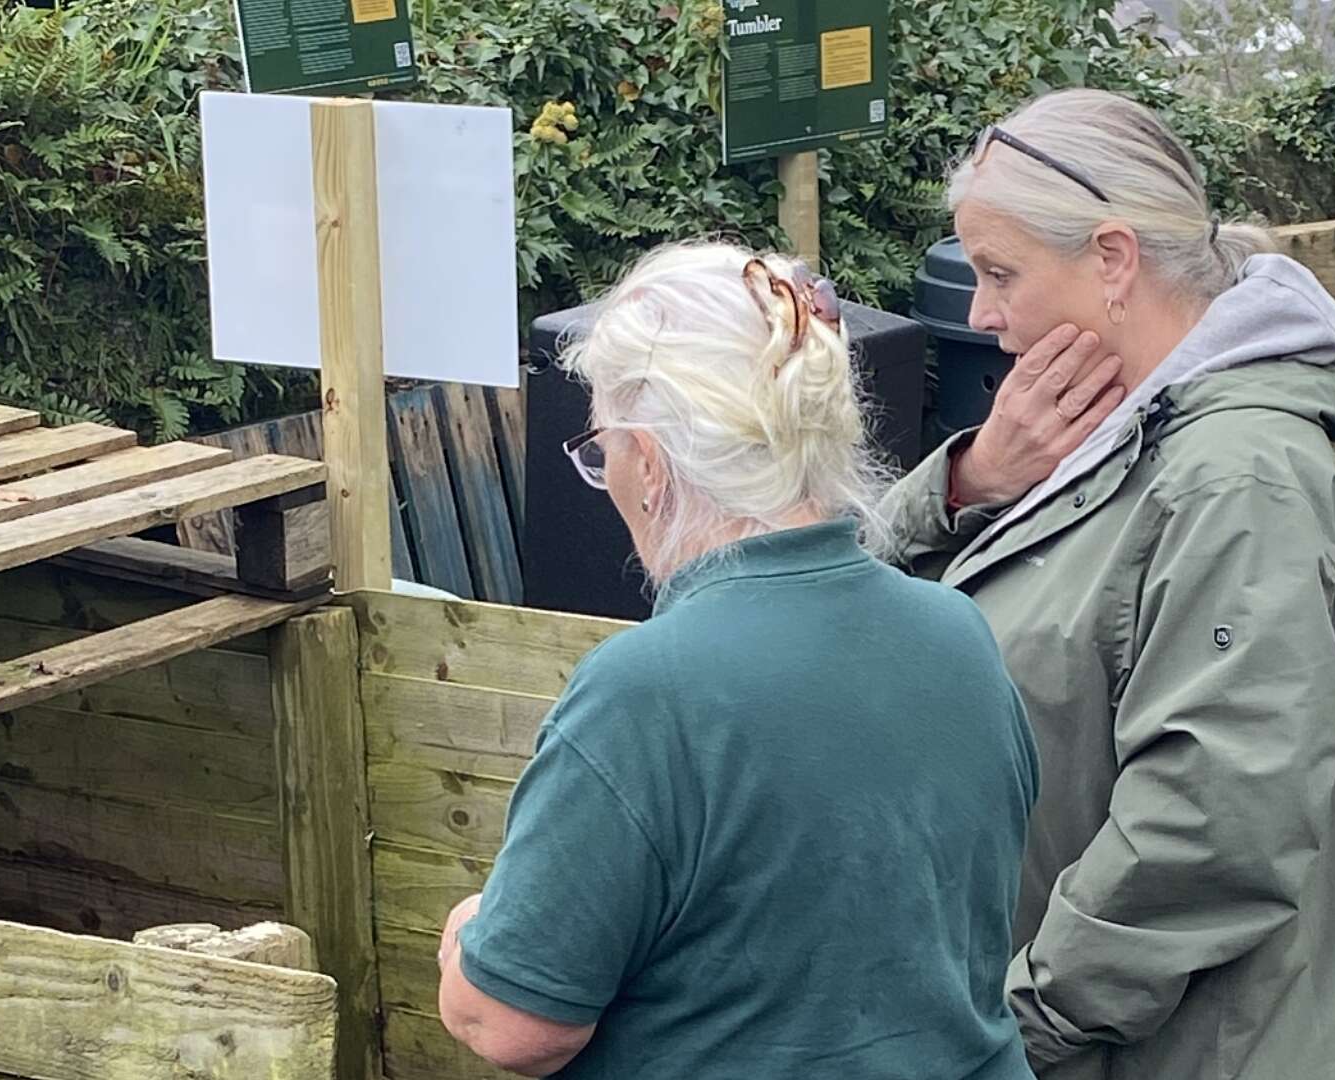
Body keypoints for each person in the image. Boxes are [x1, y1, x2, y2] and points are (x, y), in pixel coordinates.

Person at [882, 88, 1335, 1080]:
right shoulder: (1099, 439)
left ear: (1112, 259)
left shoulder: (1238, 477)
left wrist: (1014, 1029)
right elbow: (867, 612)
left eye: (1000, 273)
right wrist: (969, 483)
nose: (983, 316)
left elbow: (1215, 823)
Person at [436, 242, 1040, 1080]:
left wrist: (469, 935)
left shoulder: (644, 692)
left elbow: (514, 1025)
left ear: (648, 462)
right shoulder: (957, 634)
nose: (606, 473)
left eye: (602, 446)